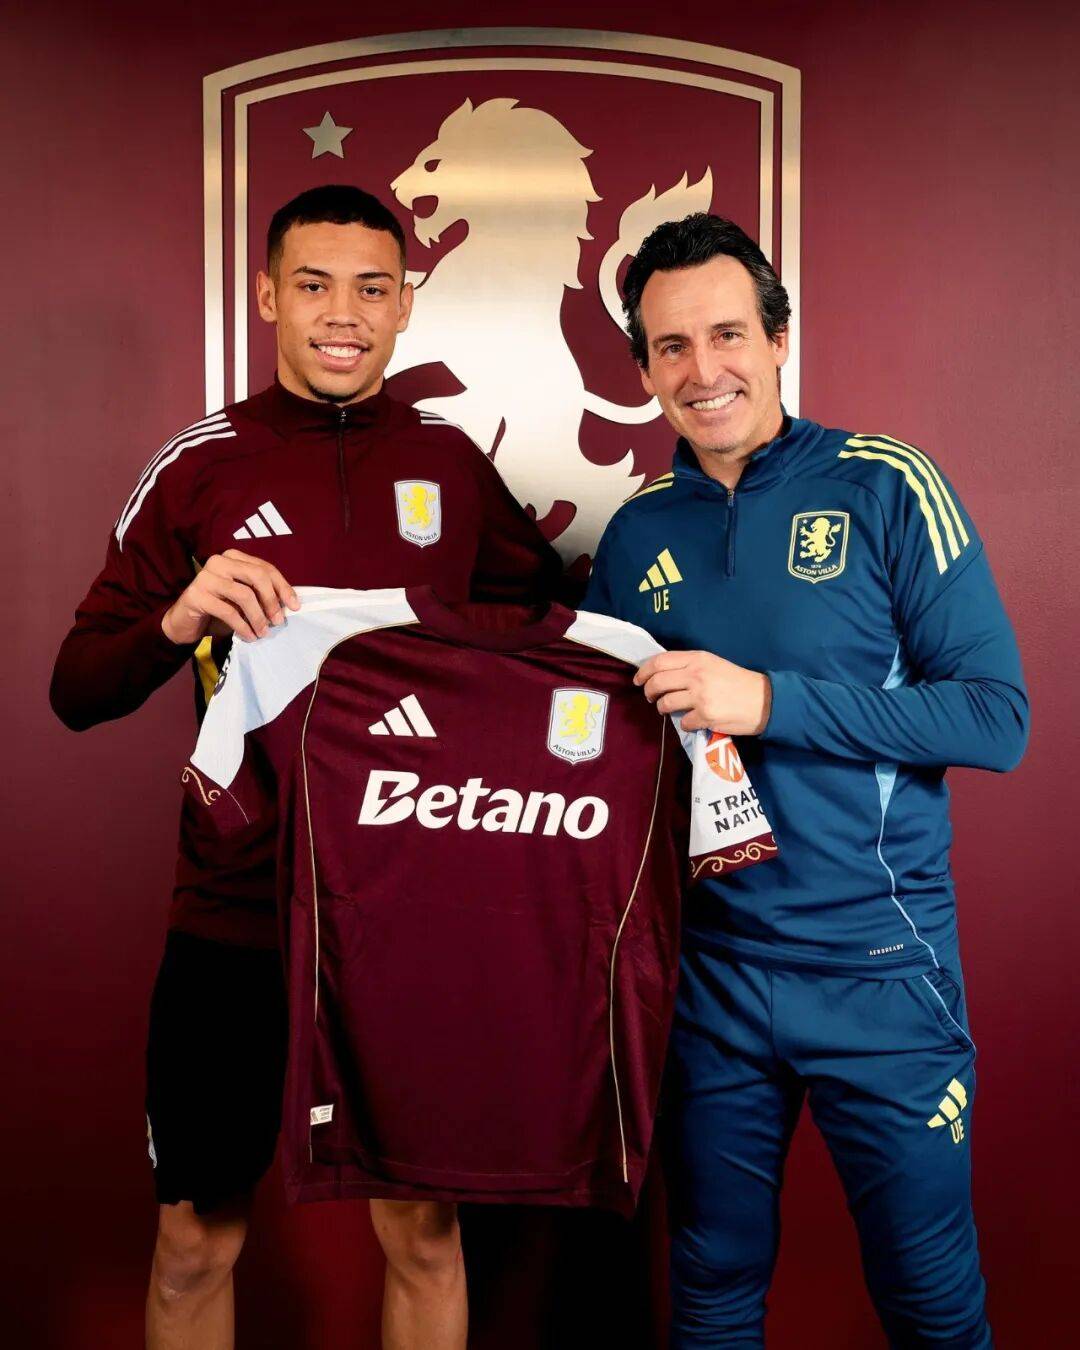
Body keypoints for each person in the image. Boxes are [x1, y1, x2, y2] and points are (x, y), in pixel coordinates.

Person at [50, 183, 559, 1350]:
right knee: (195, 1241)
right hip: (234, 911)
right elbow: (76, 688)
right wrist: (179, 618)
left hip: (413, 918)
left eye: (372, 289)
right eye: (316, 285)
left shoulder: (451, 465)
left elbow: (549, 636)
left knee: (424, 1234)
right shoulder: (200, 466)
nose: (344, 314)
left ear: (405, 305)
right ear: (269, 294)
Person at [583, 213, 1028, 1347]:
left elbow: (996, 718)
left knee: (931, 1305)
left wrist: (768, 701)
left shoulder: (886, 485)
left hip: (881, 971)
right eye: (672, 346)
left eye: (727, 334)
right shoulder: (635, 533)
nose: (703, 370)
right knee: (710, 1289)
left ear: (779, 340)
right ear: (644, 369)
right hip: (712, 979)